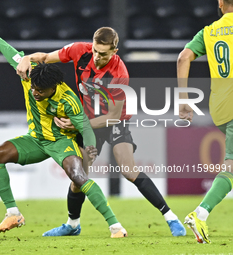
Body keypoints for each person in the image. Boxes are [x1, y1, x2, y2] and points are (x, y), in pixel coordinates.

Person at [0, 12, 128, 238]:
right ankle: (13, 213)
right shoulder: (28, 74)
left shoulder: (68, 100)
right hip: (35, 140)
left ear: (53, 88)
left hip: (61, 142)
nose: (35, 93)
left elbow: (85, 127)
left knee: (78, 177)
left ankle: (115, 226)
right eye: (33, 88)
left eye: (41, 91)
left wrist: (90, 150)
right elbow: (3, 47)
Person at [17, 27, 186, 237]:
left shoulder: (119, 73)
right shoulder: (79, 51)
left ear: (115, 51)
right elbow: (43, 57)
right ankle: (72, 225)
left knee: (129, 170)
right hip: (87, 121)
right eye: (96, 51)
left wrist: (77, 124)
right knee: (79, 176)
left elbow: (112, 116)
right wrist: (26, 59)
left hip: (114, 122)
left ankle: (171, 218)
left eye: (103, 54)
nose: (97, 57)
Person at [177, 0, 233, 244]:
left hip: (221, 107)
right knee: (231, 165)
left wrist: (183, 99)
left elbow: (183, 58)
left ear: (221, 4)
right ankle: (200, 214)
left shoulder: (208, 31)